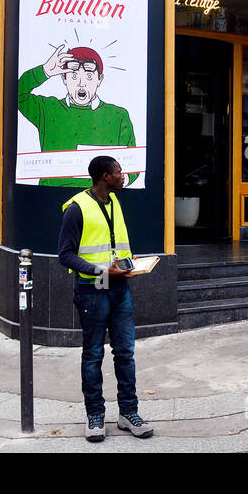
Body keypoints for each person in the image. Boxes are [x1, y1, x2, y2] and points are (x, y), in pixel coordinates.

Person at [57, 155, 153, 443]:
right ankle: (95, 416)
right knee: (94, 354)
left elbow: (113, 246)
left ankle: (128, 413)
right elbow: (65, 255)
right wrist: (103, 270)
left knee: (125, 352)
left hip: (120, 288)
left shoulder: (114, 201)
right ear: (104, 177)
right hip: (92, 290)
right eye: (119, 172)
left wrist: (128, 263)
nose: (123, 175)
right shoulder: (76, 208)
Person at [18, 43, 138, 188]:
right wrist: (45, 71)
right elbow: (17, 95)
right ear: (64, 79)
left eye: (89, 76)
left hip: (101, 199)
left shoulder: (118, 116)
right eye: (74, 76)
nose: (81, 84)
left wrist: (125, 178)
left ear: (99, 79)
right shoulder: (48, 109)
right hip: (50, 195)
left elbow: (134, 162)